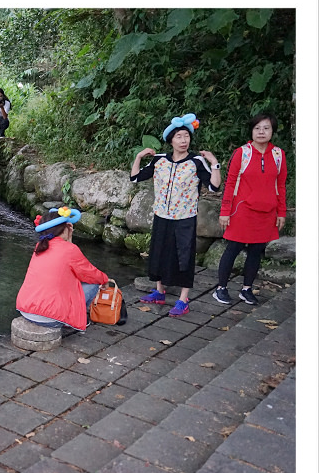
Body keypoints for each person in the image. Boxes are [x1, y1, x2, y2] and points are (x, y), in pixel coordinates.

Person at [130, 113, 222, 317]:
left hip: (185, 217)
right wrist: (138, 157)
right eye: (179, 136)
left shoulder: (196, 162)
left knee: (184, 256)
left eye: (186, 136)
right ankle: (159, 292)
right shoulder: (159, 160)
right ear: (170, 139)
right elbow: (136, 177)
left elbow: (214, 187)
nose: (183, 140)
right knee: (159, 252)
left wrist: (214, 163)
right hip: (162, 215)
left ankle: (183, 299)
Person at [212, 113, 288, 306]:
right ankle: (221, 288)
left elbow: (281, 185)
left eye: (266, 128)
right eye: (257, 128)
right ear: (251, 131)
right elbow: (230, 183)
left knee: (257, 250)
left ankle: (246, 289)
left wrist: (281, 212)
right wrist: (225, 211)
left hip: (267, 211)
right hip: (242, 210)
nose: (261, 132)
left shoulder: (278, 155)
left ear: (272, 131)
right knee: (234, 248)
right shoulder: (242, 153)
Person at [15, 207, 109, 331]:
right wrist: (105, 280)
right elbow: (90, 274)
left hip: (25, 310)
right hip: (50, 318)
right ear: (65, 228)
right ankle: (74, 321)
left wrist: (68, 241)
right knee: (94, 284)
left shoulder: (39, 246)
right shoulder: (70, 250)